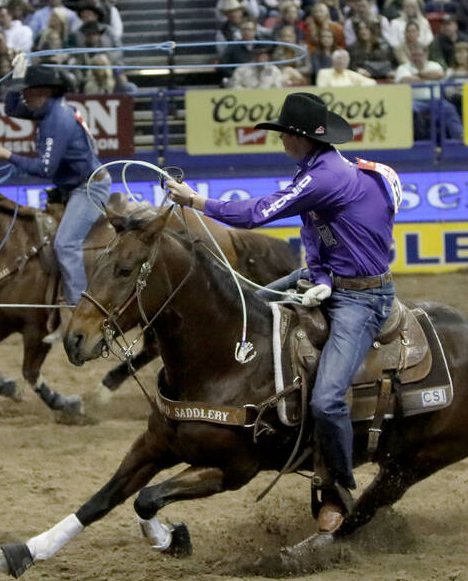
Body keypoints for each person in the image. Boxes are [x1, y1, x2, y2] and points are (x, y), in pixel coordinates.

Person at [164, 93, 400, 536]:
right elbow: (320, 232)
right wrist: (322, 273)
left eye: (284, 135)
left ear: (299, 138)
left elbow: (258, 214)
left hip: (362, 300)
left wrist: (197, 202)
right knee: (250, 307)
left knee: (328, 399)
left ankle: (340, 484)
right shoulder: (322, 170)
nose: (280, 143)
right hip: (332, 281)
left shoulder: (323, 178)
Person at [0, 63, 110, 315]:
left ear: (42, 92)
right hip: (77, 184)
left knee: (66, 244)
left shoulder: (56, 120)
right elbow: (11, 107)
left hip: (88, 188)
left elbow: (45, 169)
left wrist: (9, 155)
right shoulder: (51, 110)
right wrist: (17, 74)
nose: (23, 96)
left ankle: (80, 309)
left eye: (27, 91)